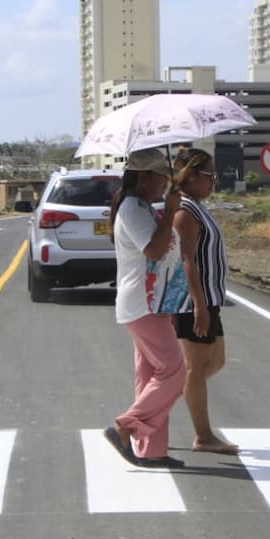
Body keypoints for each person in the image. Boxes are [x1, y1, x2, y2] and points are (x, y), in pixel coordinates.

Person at [103, 148, 189, 468]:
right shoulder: (133, 209)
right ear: (143, 177)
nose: (163, 184)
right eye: (160, 177)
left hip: (152, 299)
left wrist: (168, 210)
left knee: (150, 374)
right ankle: (125, 426)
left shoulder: (139, 206)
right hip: (143, 302)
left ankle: (151, 449)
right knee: (174, 371)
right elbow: (153, 250)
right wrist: (168, 211)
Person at [170, 147, 239, 454]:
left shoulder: (196, 206)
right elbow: (186, 260)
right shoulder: (184, 211)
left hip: (209, 296)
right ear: (192, 176)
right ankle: (203, 435)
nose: (213, 182)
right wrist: (198, 304)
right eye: (209, 175)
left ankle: (159, 398)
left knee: (215, 361)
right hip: (192, 299)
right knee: (195, 368)